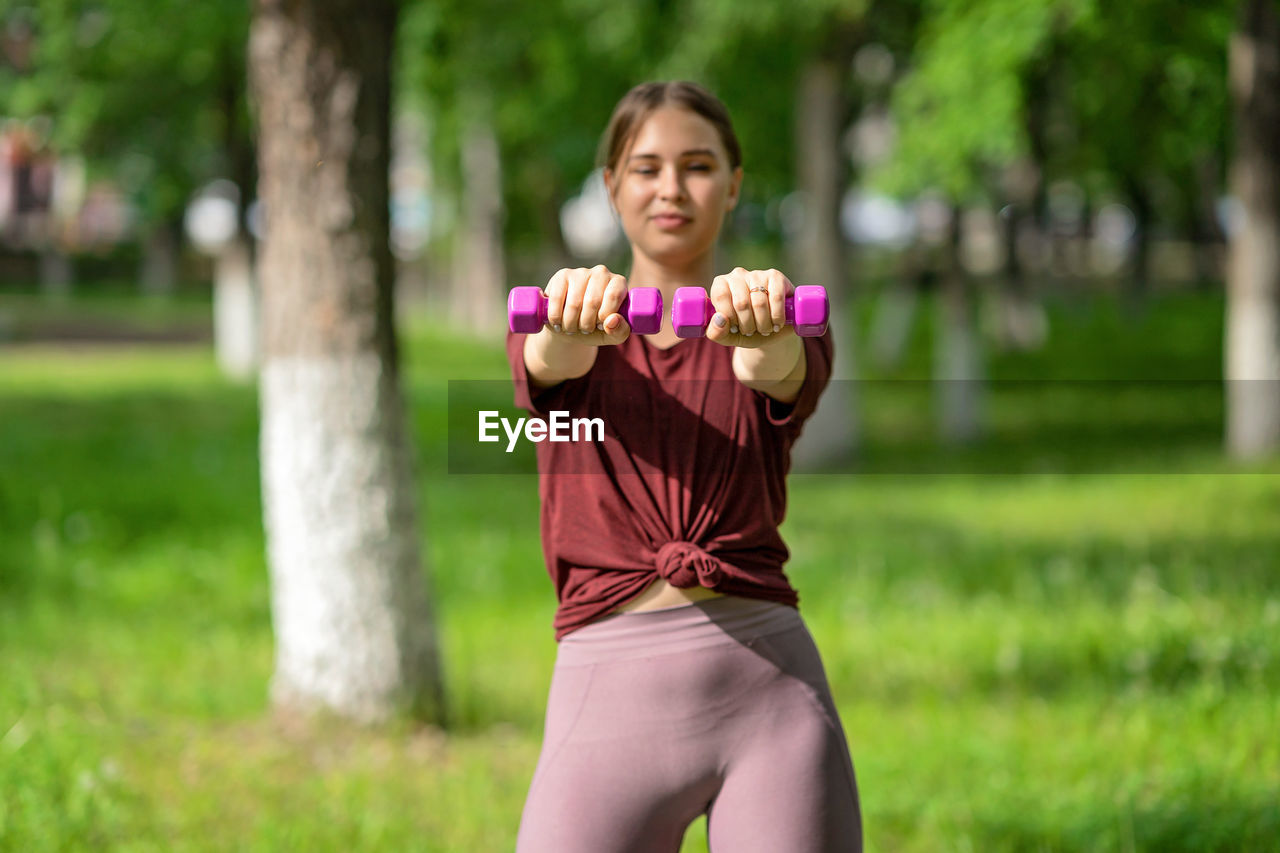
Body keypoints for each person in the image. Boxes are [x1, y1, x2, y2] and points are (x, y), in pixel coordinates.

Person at [506, 80, 861, 852]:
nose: (671, 187)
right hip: (605, 700)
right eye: (646, 167)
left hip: (769, 698)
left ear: (733, 186)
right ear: (611, 186)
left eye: (698, 166)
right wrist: (568, 319)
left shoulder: (779, 315)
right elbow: (549, 359)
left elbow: (778, 369)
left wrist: (764, 328)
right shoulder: (562, 315)